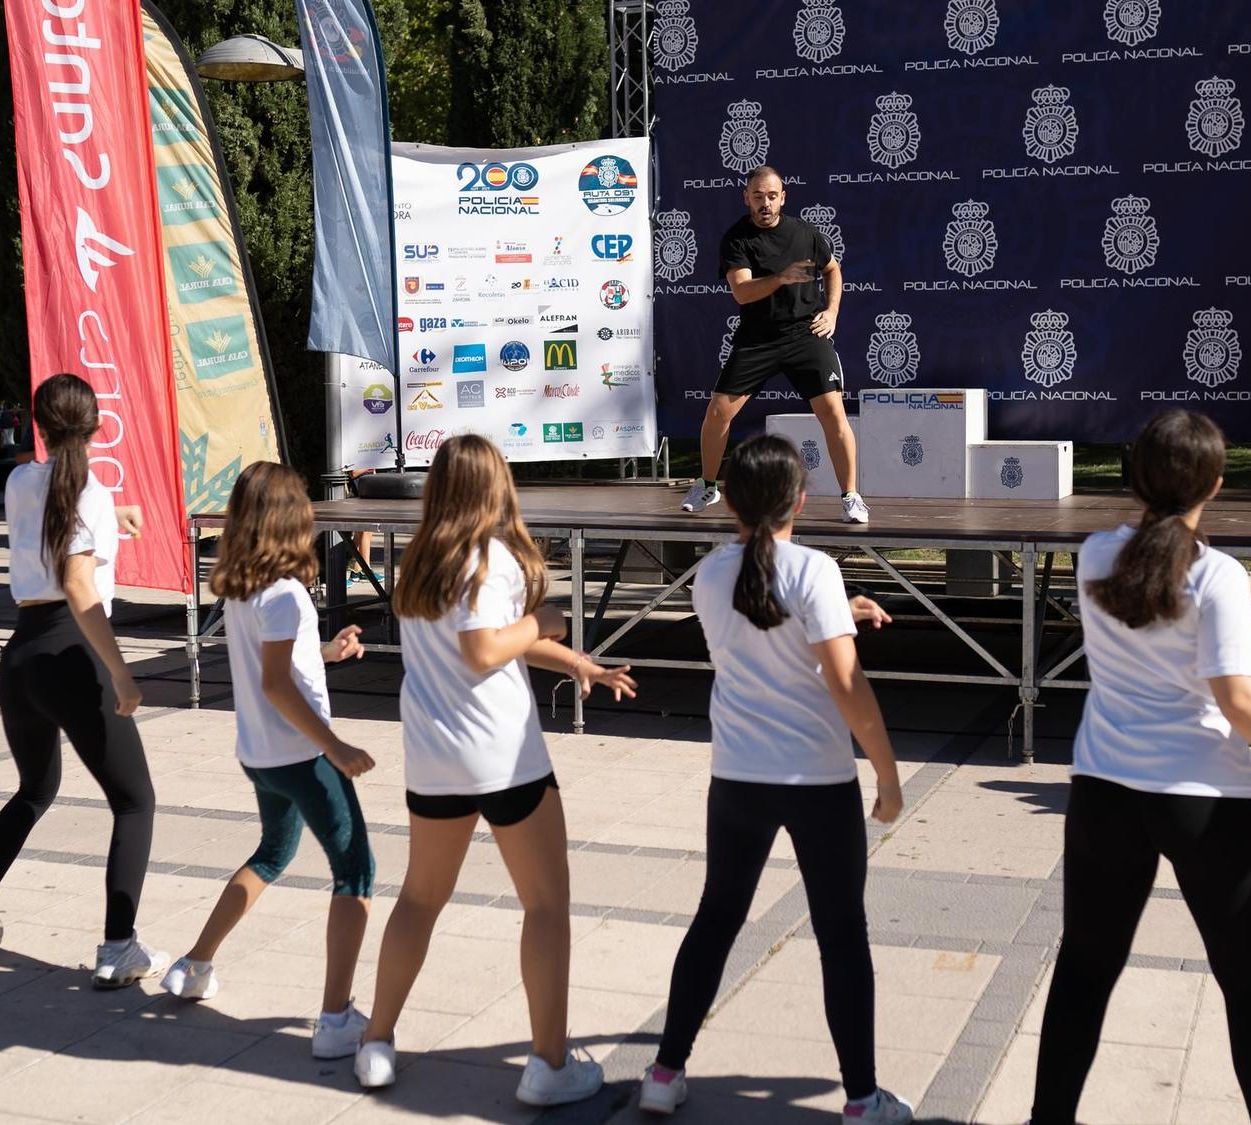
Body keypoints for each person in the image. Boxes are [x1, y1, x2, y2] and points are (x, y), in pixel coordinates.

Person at [1030, 409, 1251, 1125]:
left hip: (1105, 793)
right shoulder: (1215, 577)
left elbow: (1160, 580)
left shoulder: (1095, 554)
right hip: (1204, 801)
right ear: (1219, 484)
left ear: (1132, 475)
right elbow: (1240, 699)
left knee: (1084, 969)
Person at [355, 434, 636, 1103]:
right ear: (494, 486)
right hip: (503, 755)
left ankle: (376, 1041)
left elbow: (477, 645)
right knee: (546, 903)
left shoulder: (422, 560)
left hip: (434, 758)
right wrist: (550, 618)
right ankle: (548, 1064)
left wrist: (575, 663)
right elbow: (485, 648)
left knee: (420, 898)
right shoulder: (492, 558)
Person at [640, 434, 911, 1120]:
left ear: (727, 499)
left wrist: (837, 614)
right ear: (802, 499)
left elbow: (759, 620)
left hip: (736, 778)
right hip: (818, 779)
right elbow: (846, 683)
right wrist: (888, 772)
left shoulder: (709, 575)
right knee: (841, 931)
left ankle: (664, 1072)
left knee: (716, 918)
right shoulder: (813, 570)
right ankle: (860, 1098)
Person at [0, 373, 168, 989]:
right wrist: (121, 671)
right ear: (97, 427)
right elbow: (76, 581)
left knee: (34, 790)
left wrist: (109, 515)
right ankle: (119, 946)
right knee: (135, 801)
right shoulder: (86, 490)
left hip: (22, 657)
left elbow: (51, 517)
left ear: (35, 425)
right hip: (73, 653)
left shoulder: (20, 481)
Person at [159, 462, 378, 1061]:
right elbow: (278, 684)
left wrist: (327, 651)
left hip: (261, 755)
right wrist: (335, 747)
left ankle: (195, 964)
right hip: (303, 757)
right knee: (356, 871)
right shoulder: (283, 594)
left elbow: (281, 669)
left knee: (272, 855)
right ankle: (336, 1019)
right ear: (290, 520)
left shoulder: (245, 588)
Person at [682, 165, 867, 524]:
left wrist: (831, 311)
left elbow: (832, 269)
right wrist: (781, 277)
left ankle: (851, 496)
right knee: (719, 411)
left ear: (783, 197)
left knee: (833, 412)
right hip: (758, 337)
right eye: (757, 196)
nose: (764, 202)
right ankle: (706, 484)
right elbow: (742, 291)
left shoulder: (805, 233)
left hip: (805, 334)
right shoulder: (736, 239)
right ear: (746, 198)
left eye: (771, 195)